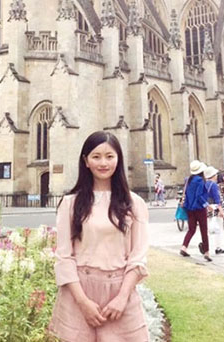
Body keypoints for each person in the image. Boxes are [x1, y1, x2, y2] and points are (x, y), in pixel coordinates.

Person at [49, 131, 149, 342]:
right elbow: (64, 256)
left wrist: (122, 298)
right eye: (96, 156)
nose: (103, 163)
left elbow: (138, 257)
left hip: (120, 294)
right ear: (86, 161)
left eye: (109, 156)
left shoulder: (134, 204)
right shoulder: (70, 204)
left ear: (118, 159)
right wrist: (83, 302)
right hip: (79, 293)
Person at [180, 160, 212, 262]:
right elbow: (199, 195)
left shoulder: (188, 180)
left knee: (191, 229)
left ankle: (184, 247)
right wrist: (207, 205)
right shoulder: (200, 181)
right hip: (199, 208)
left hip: (189, 208)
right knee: (204, 230)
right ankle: (206, 252)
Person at [203, 166, 224, 255]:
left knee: (209, 227)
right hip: (215, 208)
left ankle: (205, 245)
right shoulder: (214, 185)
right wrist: (221, 210)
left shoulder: (204, 184)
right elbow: (217, 199)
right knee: (218, 228)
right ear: (213, 175)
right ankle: (218, 247)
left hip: (207, 208)